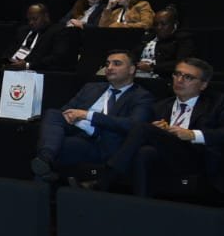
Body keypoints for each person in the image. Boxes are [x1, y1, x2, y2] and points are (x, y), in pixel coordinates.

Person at [104, 58, 224, 197]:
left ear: (203, 85)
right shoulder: (161, 105)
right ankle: (142, 204)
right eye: (177, 74)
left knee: (142, 128)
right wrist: (155, 130)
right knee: (145, 152)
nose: (179, 80)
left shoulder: (218, 103)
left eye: (188, 77)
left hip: (198, 158)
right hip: (167, 156)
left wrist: (193, 135)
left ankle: (106, 179)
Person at [29, 50, 156, 184]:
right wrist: (77, 119)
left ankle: (44, 165)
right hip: (77, 132)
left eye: (117, 64)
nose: (110, 68)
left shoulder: (141, 96)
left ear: (131, 69)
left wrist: (88, 115)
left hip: (102, 143)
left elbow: (134, 125)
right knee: (53, 114)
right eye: (107, 64)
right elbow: (66, 112)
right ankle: (45, 160)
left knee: (54, 145)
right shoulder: (91, 88)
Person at [2, 4, 77, 72]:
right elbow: (9, 51)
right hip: (12, 69)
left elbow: (57, 57)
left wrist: (28, 65)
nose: (31, 22)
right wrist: (6, 62)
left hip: (36, 71)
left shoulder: (58, 31)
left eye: (35, 19)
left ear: (46, 17)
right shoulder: (22, 30)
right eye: (29, 19)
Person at [134, 7, 193, 83]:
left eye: (163, 24)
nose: (159, 27)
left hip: (161, 80)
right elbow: (133, 55)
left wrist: (152, 68)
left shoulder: (182, 39)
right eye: (156, 24)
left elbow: (182, 63)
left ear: (175, 25)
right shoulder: (147, 38)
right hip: (136, 77)